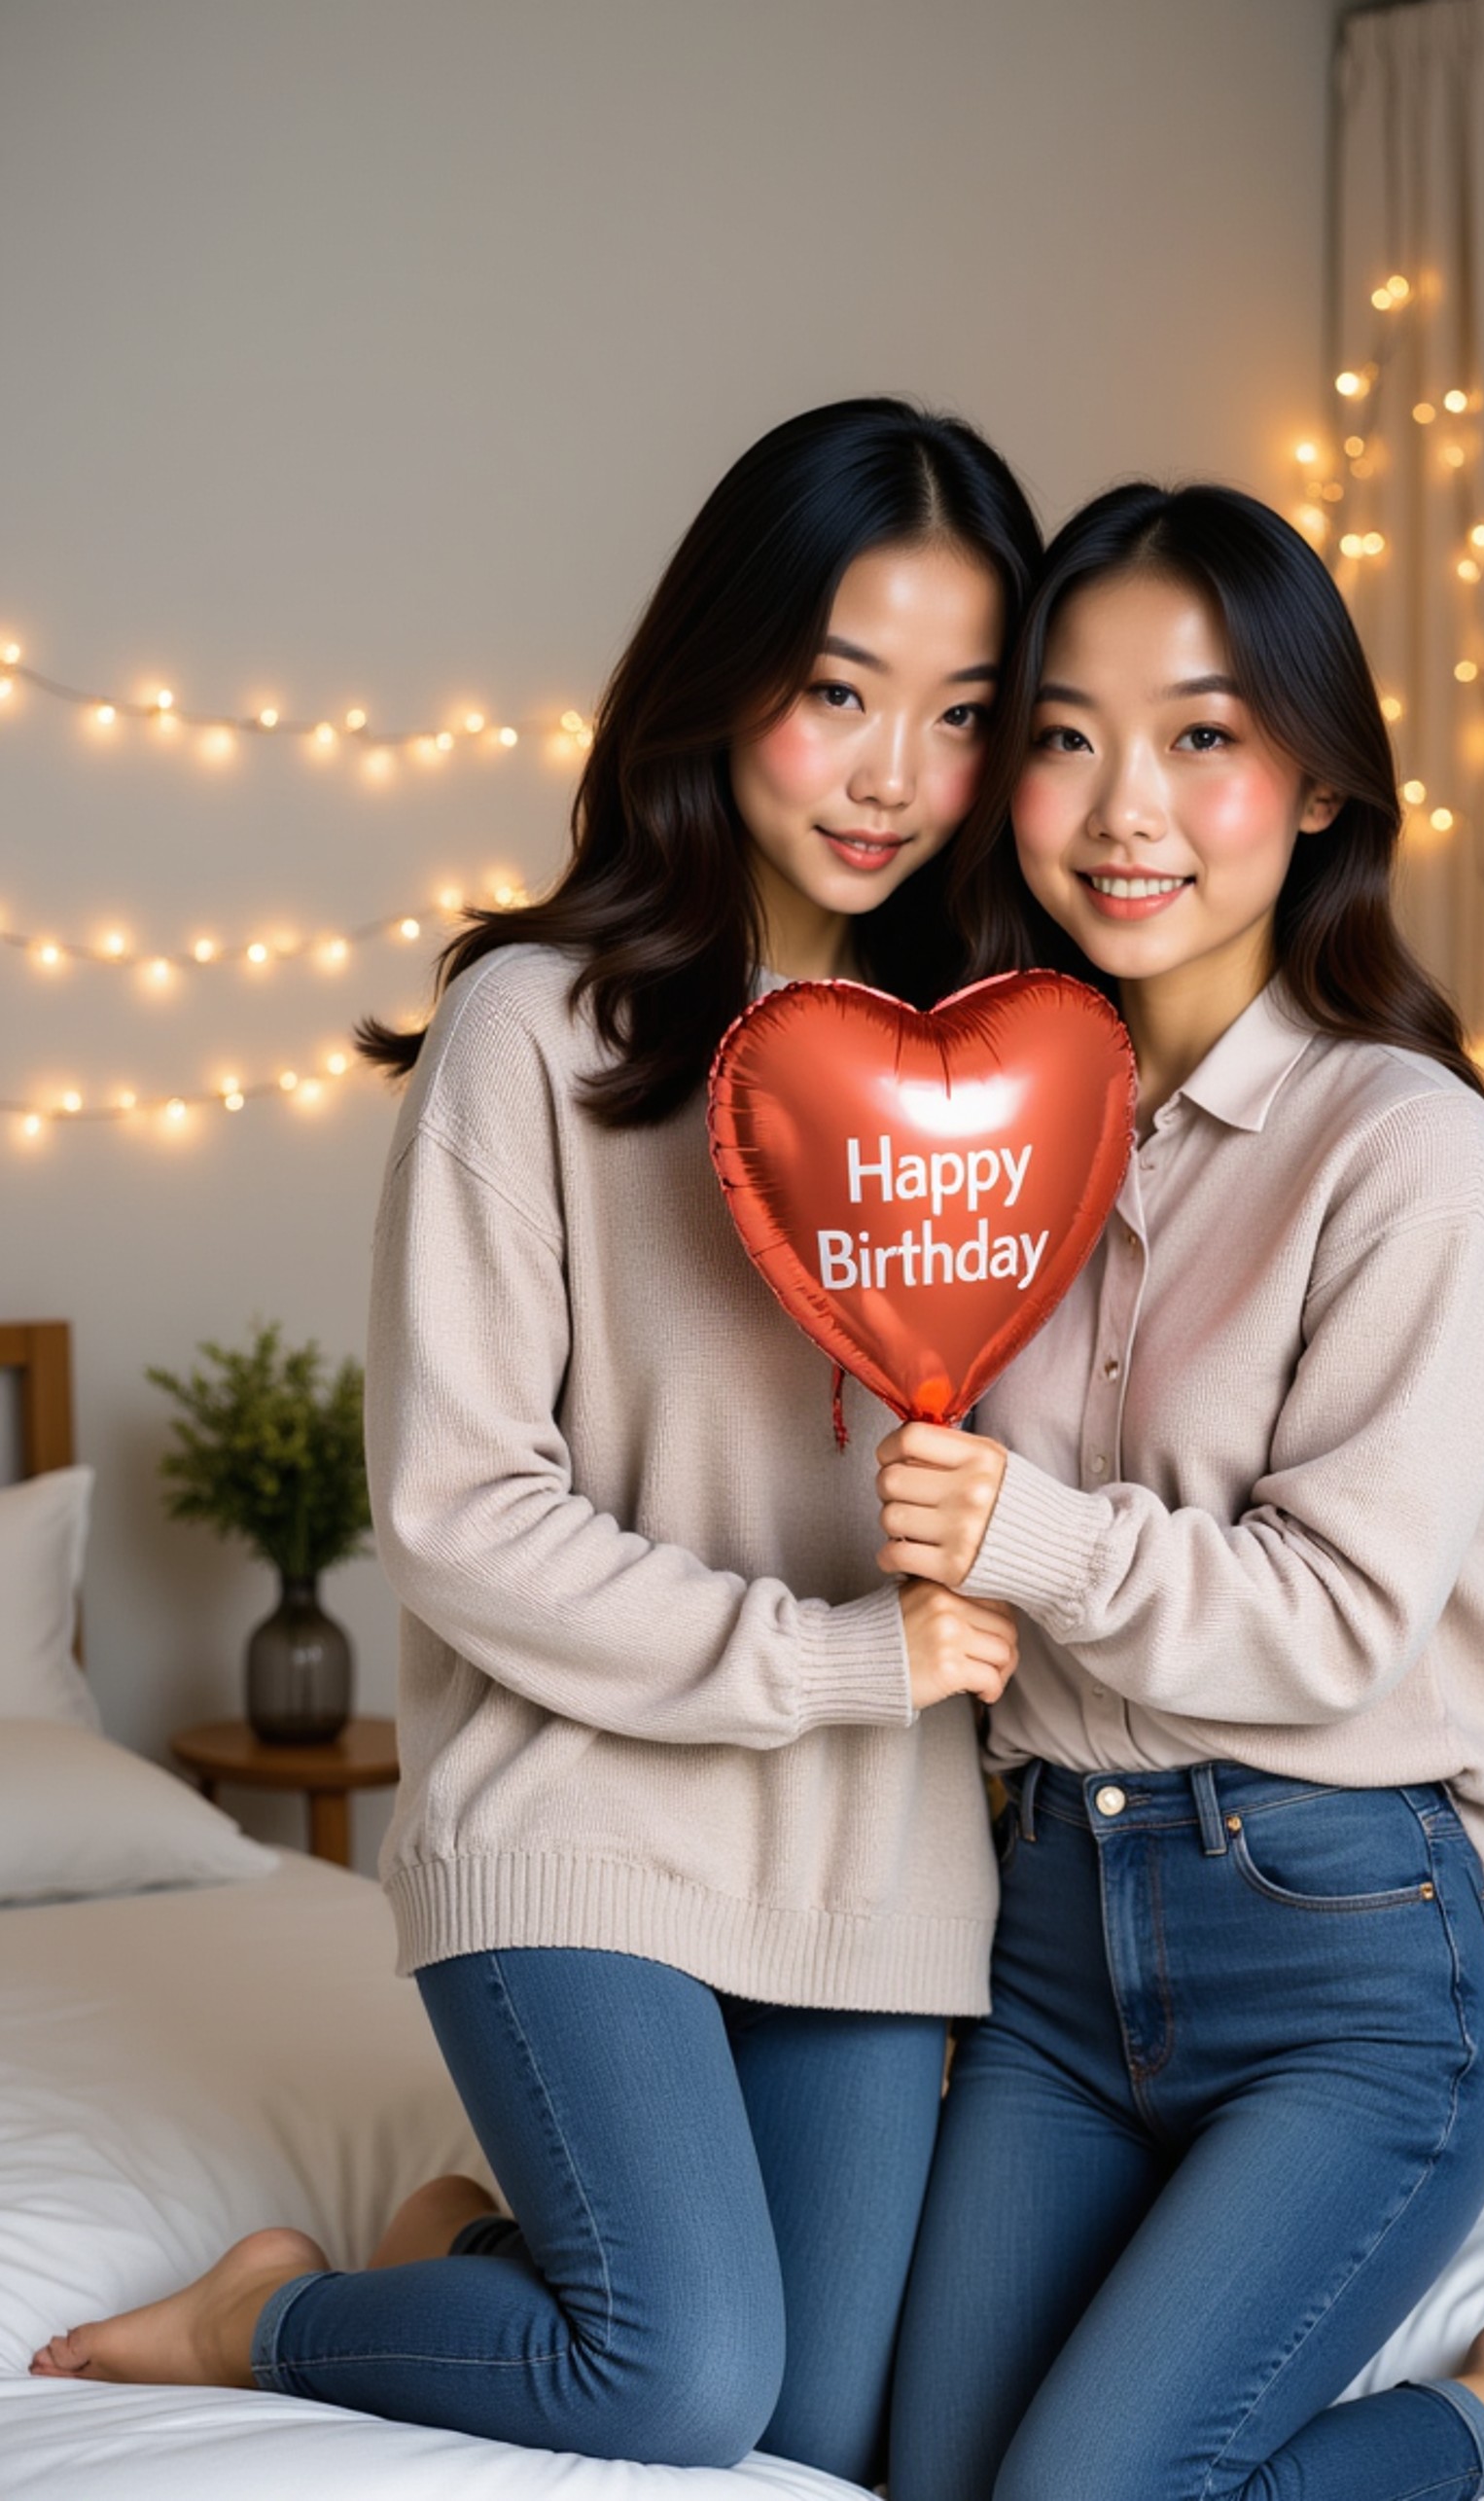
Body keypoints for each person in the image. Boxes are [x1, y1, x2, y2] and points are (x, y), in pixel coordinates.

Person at [30, 398, 1040, 2486]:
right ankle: (269, 2306)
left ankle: (463, 2249)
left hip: (869, 1845)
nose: (888, 775)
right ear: (722, 667)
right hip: (579, 1817)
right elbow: (463, 1515)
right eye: (837, 688)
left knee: (834, 2421)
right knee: (679, 2377)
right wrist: (846, 1656)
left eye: (955, 715)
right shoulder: (540, 1024)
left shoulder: (1017, 1076)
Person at [876, 482, 1484, 2501]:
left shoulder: (1398, 1137)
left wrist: (1021, 1528)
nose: (1122, 806)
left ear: (1321, 780)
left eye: (1200, 734)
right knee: (916, 2480)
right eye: (1064, 734)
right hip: (1051, 1945)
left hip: (1338, 1948)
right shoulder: (987, 1130)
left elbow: (1342, 1612)